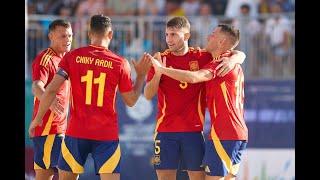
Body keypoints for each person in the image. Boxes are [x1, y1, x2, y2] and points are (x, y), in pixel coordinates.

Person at [28, 14, 151, 180]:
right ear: (110, 34)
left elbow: (49, 91)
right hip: (106, 134)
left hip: (76, 132)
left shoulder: (72, 57)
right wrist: (141, 76)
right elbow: (131, 101)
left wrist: (37, 119)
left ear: (89, 34)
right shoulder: (120, 63)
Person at [144, 16, 246, 180]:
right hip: (165, 130)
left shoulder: (203, 56)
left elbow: (232, 51)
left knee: (202, 177)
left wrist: (235, 57)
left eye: (174, 35)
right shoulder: (160, 59)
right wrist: (157, 73)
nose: (169, 39)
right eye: (167, 34)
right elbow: (148, 94)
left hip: (195, 131)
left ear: (186, 36)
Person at [28, 19, 73, 180]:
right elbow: (36, 87)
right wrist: (50, 100)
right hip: (50, 131)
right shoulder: (45, 59)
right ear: (50, 37)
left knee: (44, 175)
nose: (67, 39)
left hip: (53, 131)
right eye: (62, 36)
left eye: (69, 35)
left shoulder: (67, 59)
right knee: (70, 173)